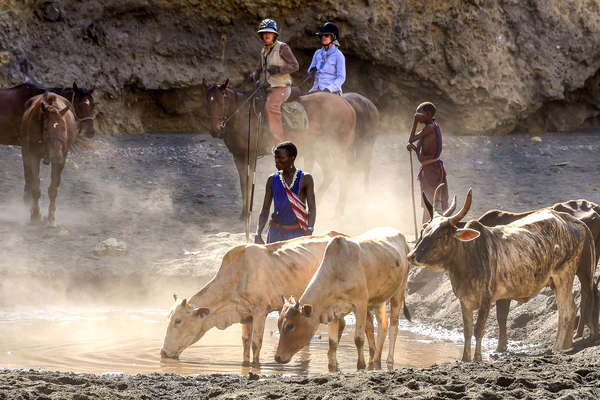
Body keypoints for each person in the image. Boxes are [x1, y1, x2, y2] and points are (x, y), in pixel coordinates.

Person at [255, 141, 316, 244]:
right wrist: (258, 233)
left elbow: (312, 208)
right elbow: (265, 209)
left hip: (297, 233)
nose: (277, 161)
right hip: (275, 232)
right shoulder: (272, 179)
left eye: (281, 158)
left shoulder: (306, 179)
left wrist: (309, 229)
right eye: (276, 158)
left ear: (292, 158)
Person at [250, 19, 299, 143]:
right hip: (267, 87)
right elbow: (259, 68)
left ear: (274, 34)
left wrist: (279, 69)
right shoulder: (264, 51)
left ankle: (280, 142)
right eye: (264, 33)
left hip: (281, 87)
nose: (266, 35)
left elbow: (295, 66)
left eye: (269, 32)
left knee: (271, 106)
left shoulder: (282, 47)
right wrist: (254, 75)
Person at [407, 102, 449, 223]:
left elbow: (411, 139)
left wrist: (415, 122)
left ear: (428, 114)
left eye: (419, 113)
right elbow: (425, 153)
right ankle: (427, 227)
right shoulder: (431, 126)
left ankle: (430, 226)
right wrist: (414, 149)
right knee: (430, 201)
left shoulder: (430, 128)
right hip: (430, 167)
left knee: (430, 201)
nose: (417, 115)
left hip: (432, 170)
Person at [307, 22, 346, 95]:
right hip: (316, 89)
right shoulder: (317, 53)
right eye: (321, 36)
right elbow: (309, 72)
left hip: (331, 91)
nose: (323, 37)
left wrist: (329, 89)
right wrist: (311, 71)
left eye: (326, 35)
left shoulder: (339, 55)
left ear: (333, 37)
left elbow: (341, 78)